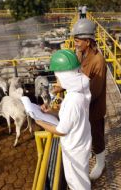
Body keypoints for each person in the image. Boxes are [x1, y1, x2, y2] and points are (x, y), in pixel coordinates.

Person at [36, 49, 92, 190]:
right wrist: (53, 111)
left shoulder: (73, 99)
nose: (56, 81)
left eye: (57, 77)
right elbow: (72, 115)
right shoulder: (79, 91)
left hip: (74, 148)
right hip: (81, 141)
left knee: (77, 183)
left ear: (65, 76)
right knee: (81, 178)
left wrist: (39, 120)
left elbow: (61, 130)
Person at [72, 18, 107, 180]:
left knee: (96, 134)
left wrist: (77, 101)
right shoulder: (82, 54)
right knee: (87, 134)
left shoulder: (98, 60)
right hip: (82, 104)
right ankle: (92, 153)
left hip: (93, 107)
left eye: (77, 40)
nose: (75, 44)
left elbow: (96, 90)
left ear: (87, 41)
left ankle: (101, 164)